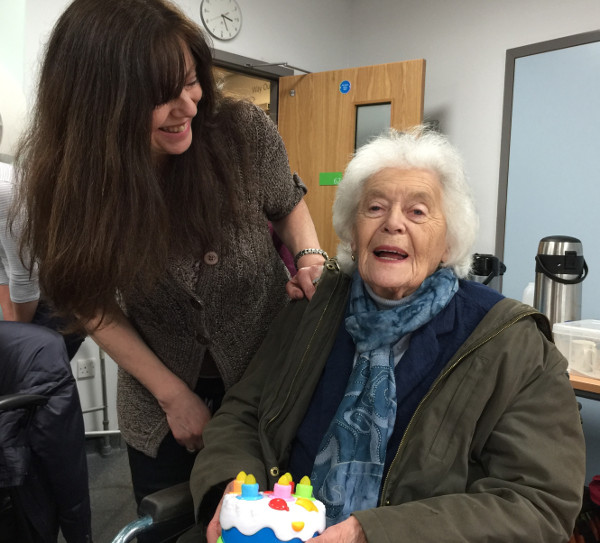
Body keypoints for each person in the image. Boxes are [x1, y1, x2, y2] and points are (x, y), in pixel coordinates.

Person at [186, 127, 586, 543]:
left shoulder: (511, 343)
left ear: (448, 242)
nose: (393, 223)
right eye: (374, 207)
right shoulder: (315, 306)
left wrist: (372, 533)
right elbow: (243, 414)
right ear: (351, 230)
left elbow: (538, 503)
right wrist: (232, 487)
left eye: (417, 212)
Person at [13, 0, 326, 513]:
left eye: (190, 81)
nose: (188, 106)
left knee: (275, 518)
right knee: (175, 517)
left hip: (271, 382)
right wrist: (173, 396)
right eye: (160, 96)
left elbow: (288, 204)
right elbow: (90, 304)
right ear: (98, 104)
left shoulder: (241, 132)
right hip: (160, 402)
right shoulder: (74, 183)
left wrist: (310, 257)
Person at [0, 161, 39, 323]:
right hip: (20, 291)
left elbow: (26, 274)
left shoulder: (6, 189)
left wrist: (19, 330)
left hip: (51, 299)